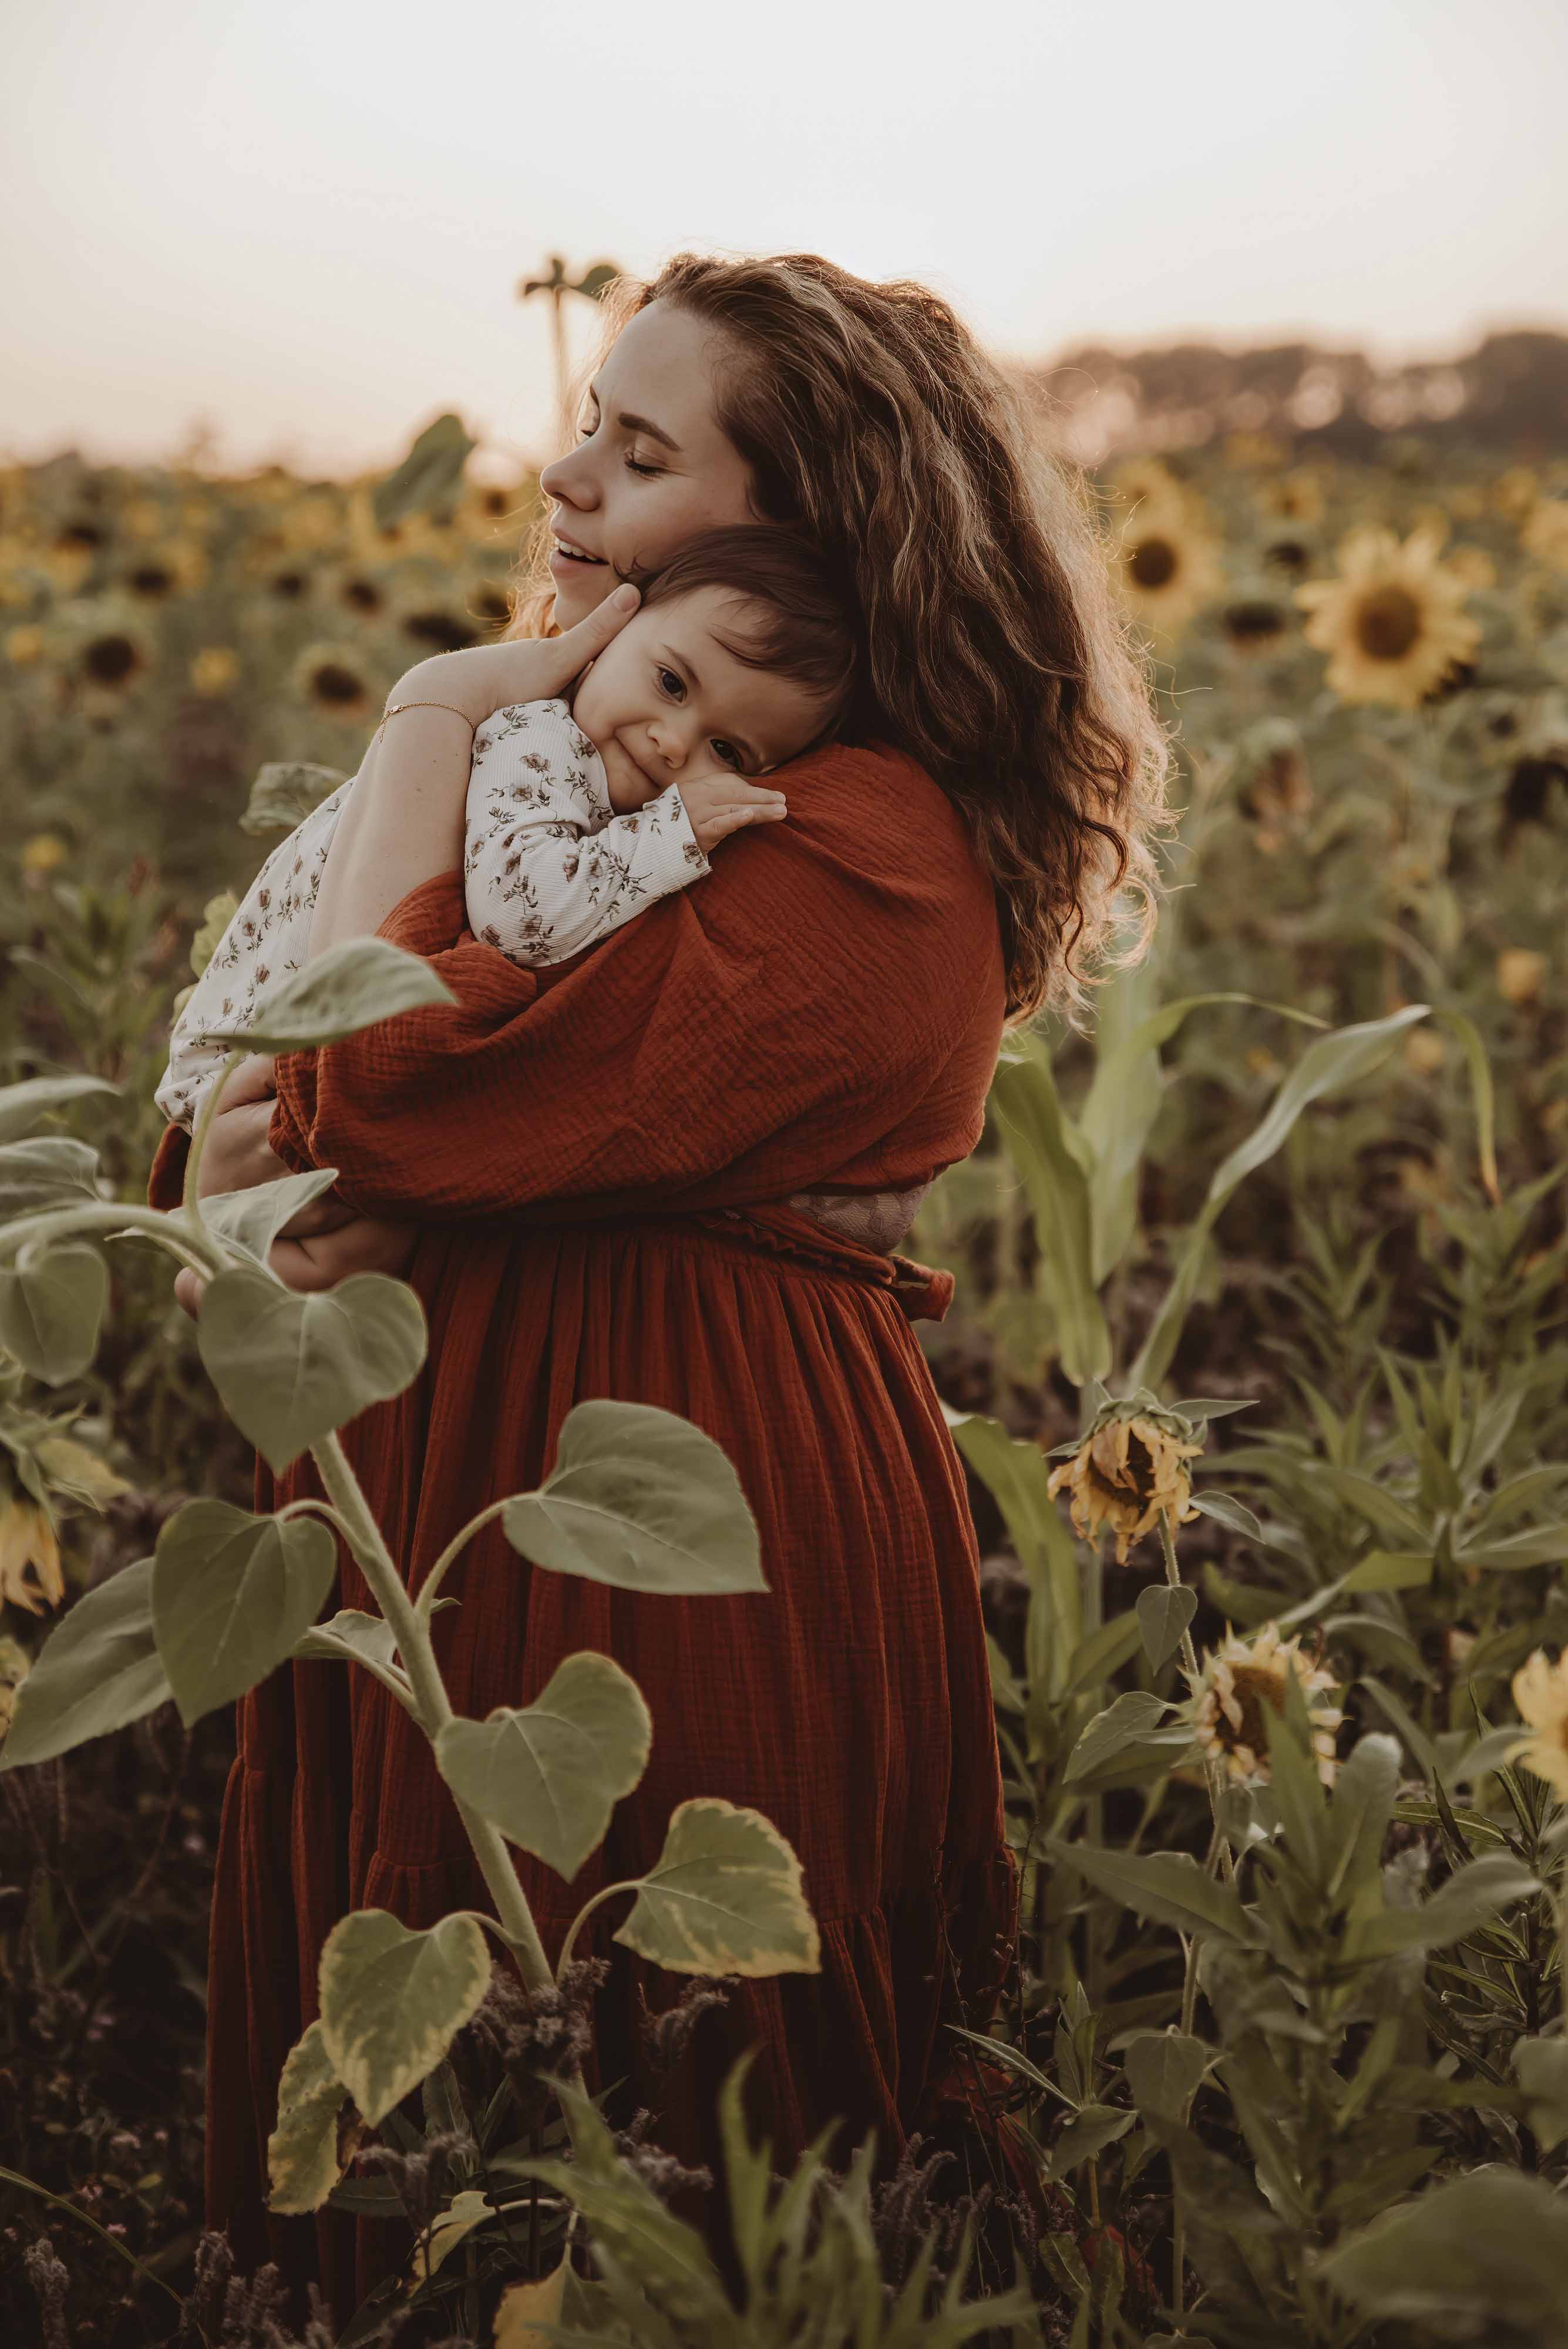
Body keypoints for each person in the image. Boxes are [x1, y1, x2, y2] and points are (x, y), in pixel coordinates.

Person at [149, 251, 1170, 2323]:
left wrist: (433, 716)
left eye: (638, 448)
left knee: (698, 2130)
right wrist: (247, 1145)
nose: (563, 472)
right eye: (586, 424)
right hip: (434, 1498)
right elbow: (277, 1101)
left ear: (811, 528)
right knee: (425, 2105)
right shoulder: (593, 761)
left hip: (678, 1522)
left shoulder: (870, 842)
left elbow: (378, 1074)